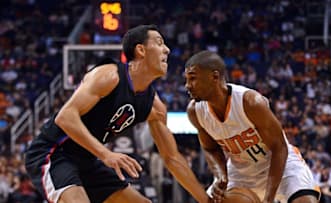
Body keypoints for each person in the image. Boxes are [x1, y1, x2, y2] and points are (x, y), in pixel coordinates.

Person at [25, 25, 210, 203]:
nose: (167, 50)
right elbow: (65, 118)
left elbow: (172, 158)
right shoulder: (110, 76)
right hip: (54, 153)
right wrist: (106, 154)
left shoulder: (156, 108)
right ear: (141, 50)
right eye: (160, 43)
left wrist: (206, 200)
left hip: (87, 159)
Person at [184, 50, 320, 203]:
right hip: (241, 172)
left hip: (280, 165)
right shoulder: (195, 111)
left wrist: (268, 199)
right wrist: (221, 176)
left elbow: (279, 147)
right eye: (187, 80)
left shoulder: (250, 102)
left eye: (192, 79)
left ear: (214, 76)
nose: (187, 86)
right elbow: (210, 148)